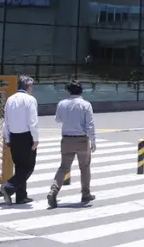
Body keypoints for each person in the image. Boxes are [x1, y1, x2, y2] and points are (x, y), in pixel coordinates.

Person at [48, 80, 96, 208]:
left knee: (63, 167)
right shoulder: (86, 105)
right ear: (81, 91)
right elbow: (90, 124)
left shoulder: (62, 104)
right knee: (84, 168)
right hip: (82, 139)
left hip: (67, 139)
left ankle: (53, 191)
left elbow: (58, 119)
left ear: (68, 91)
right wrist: (93, 140)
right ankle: (85, 194)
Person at [2, 75, 39, 205]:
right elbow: (32, 121)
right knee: (28, 167)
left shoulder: (10, 99)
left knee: (19, 166)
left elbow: (6, 121)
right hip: (26, 136)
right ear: (29, 86)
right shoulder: (30, 100)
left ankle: (21, 196)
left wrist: (7, 137)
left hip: (14, 136)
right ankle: (9, 187)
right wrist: (36, 139)